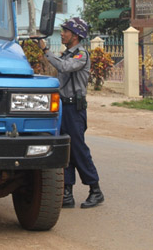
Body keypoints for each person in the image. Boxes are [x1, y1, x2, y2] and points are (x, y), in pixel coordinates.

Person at [37, 17, 104, 209]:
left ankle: (95, 190)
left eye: (65, 31)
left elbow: (64, 67)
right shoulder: (67, 54)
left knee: (78, 150)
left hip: (75, 109)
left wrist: (45, 50)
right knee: (65, 149)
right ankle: (67, 192)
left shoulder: (80, 55)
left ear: (75, 36)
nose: (63, 34)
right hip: (63, 107)